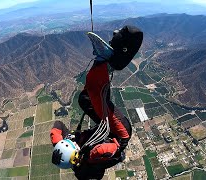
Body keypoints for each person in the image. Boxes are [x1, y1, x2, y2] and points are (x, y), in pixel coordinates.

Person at [50, 25, 143, 179]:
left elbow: (58, 126)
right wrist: (86, 148)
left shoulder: (72, 152)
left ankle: (110, 60)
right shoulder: (92, 156)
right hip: (120, 134)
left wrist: (61, 140)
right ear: (77, 154)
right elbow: (114, 149)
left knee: (84, 99)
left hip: (104, 129)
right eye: (76, 146)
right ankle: (105, 60)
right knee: (95, 92)